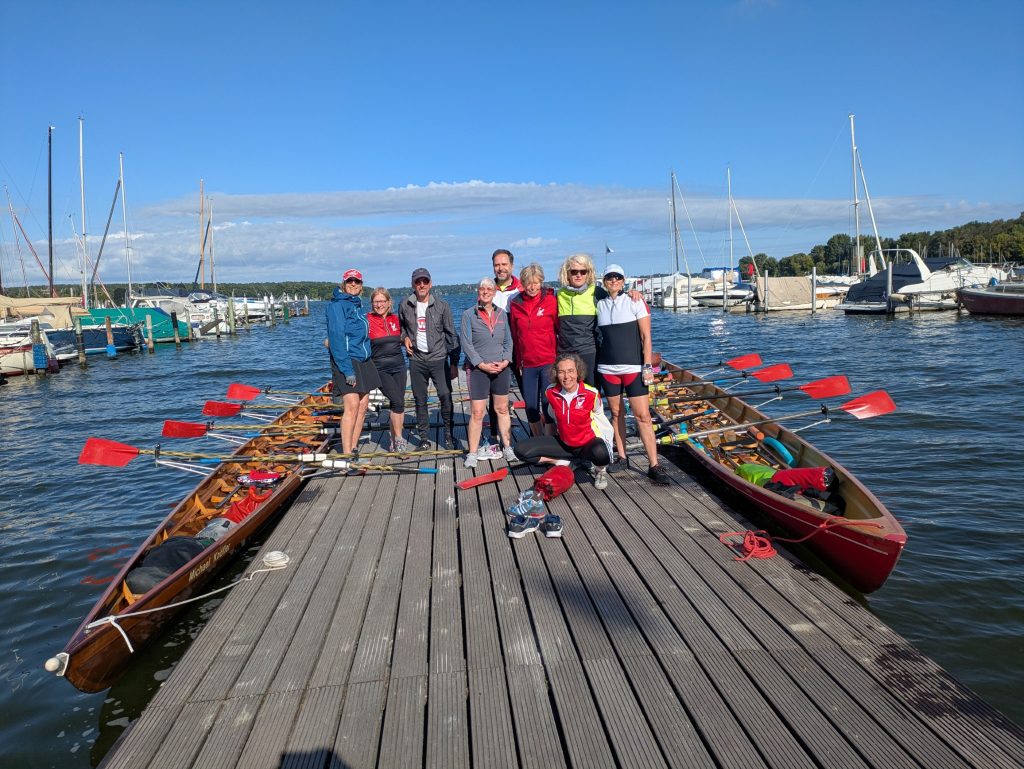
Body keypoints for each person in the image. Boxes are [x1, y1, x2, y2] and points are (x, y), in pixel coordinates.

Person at [595, 263, 670, 485]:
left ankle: (654, 465)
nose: (614, 280)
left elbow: (647, 338)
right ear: (604, 281)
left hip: (634, 369)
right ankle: (622, 456)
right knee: (616, 414)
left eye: (617, 277)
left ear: (624, 280)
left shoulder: (635, 301)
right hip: (607, 369)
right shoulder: (599, 304)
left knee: (643, 417)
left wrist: (647, 367)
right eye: (609, 277)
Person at [512, 353, 614, 488]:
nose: (566, 377)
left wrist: (606, 441)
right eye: (561, 372)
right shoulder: (551, 392)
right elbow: (551, 415)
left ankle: (600, 471)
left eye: (571, 371)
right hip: (564, 444)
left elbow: (599, 416)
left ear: (578, 372)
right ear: (556, 374)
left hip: (586, 443)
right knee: (520, 450)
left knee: (601, 453)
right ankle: (565, 461)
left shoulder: (591, 393)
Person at [398, 267, 460, 450]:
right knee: (420, 399)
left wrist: (454, 363)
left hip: (439, 358)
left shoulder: (442, 305)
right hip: (417, 360)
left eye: (425, 281)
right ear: (413, 284)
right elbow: (400, 328)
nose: (422, 285)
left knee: (445, 395)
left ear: (430, 284)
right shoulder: (404, 305)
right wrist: (404, 338)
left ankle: (449, 435)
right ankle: (424, 438)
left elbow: (451, 335)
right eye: (418, 282)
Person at [460, 278, 515, 468]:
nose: (485, 292)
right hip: (478, 370)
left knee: (501, 409)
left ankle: (507, 447)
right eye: (482, 289)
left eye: (489, 289)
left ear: (494, 292)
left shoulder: (502, 314)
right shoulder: (469, 314)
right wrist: (481, 364)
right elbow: (466, 343)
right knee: (477, 412)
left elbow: (509, 341)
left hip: (501, 368)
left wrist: (506, 361)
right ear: (478, 291)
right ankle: (473, 453)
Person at [326, 268, 380, 461]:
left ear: (361, 285)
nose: (353, 285)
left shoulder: (356, 304)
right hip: (347, 360)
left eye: (357, 282)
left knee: (363, 405)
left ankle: (354, 448)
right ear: (344, 283)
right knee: (352, 405)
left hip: (362, 359)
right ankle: (347, 454)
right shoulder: (337, 306)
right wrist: (346, 369)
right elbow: (337, 338)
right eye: (350, 281)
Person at [507, 262, 558, 437]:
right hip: (527, 364)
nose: (532, 287)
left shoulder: (551, 301)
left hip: (548, 362)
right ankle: (538, 440)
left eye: (536, 282)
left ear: (541, 282)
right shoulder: (515, 304)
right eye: (528, 283)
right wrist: (519, 361)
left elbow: (559, 330)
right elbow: (515, 336)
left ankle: (550, 442)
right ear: (523, 283)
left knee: (547, 403)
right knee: (530, 406)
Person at [367, 287, 409, 453]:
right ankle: (399, 440)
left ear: (389, 302)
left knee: (397, 403)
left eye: (382, 301)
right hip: (380, 368)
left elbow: (406, 334)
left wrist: (406, 339)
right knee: (398, 401)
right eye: (376, 301)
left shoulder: (396, 319)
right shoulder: (367, 319)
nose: (379, 304)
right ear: (372, 304)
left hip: (399, 366)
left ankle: (393, 440)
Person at [555, 253, 601, 386]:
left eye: (583, 271)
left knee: (591, 392)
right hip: (565, 353)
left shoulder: (597, 292)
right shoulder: (559, 294)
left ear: (588, 273)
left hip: (589, 352)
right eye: (574, 271)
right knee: (568, 393)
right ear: (567, 274)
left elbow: (617, 302)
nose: (578, 275)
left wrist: (633, 294)